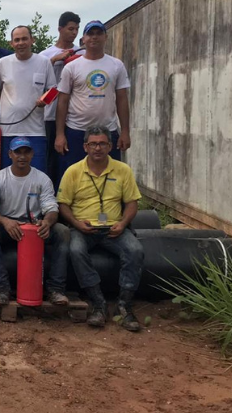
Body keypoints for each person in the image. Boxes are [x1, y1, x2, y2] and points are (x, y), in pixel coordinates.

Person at [57, 126, 143, 331]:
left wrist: (122, 224)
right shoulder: (73, 171)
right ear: (85, 146)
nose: (98, 148)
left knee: (135, 250)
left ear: (110, 146)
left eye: (103, 143)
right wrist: (77, 223)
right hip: (83, 228)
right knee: (76, 250)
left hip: (114, 228)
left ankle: (124, 304)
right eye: (93, 144)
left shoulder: (123, 170)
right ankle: (98, 303)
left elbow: (132, 203)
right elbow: (63, 205)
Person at [0, 137, 70, 305]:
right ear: (10, 154)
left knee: (63, 232)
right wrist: (4, 221)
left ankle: (56, 289)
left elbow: (52, 208)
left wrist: (47, 222)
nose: (22, 156)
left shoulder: (42, 179)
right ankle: (2, 289)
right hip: (7, 226)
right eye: (17, 152)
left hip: (34, 227)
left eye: (26, 152)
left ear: (32, 154)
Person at [55, 20, 131, 181]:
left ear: (106, 37)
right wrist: (60, 134)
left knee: (110, 178)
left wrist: (125, 131)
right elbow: (62, 102)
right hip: (76, 131)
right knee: (74, 178)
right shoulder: (72, 67)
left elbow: (122, 99)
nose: (94, 37)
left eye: (98, 33)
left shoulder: (116, 65)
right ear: (83, 39)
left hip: (107, 131)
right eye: (90, 34)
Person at [0, 25, 57, 173]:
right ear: (11, 43)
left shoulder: (44, 62)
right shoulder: (3, 63)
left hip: (36, 131)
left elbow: (53, 90)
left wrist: (45, 101)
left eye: (24, 39)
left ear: (32, 40)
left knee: (37, 174)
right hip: (8, 131)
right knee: (8, 175)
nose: (21, 43)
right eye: (17, 40)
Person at [40, 12, 83, 188]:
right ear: (60, 29)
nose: (74, 33)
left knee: (71, 160)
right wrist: (54, 60)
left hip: (74, 116)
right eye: (70, 29)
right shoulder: (45, 55)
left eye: (77, 29)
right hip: (50, 115)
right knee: (50, 159)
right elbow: (36, 80)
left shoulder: (82, 53)